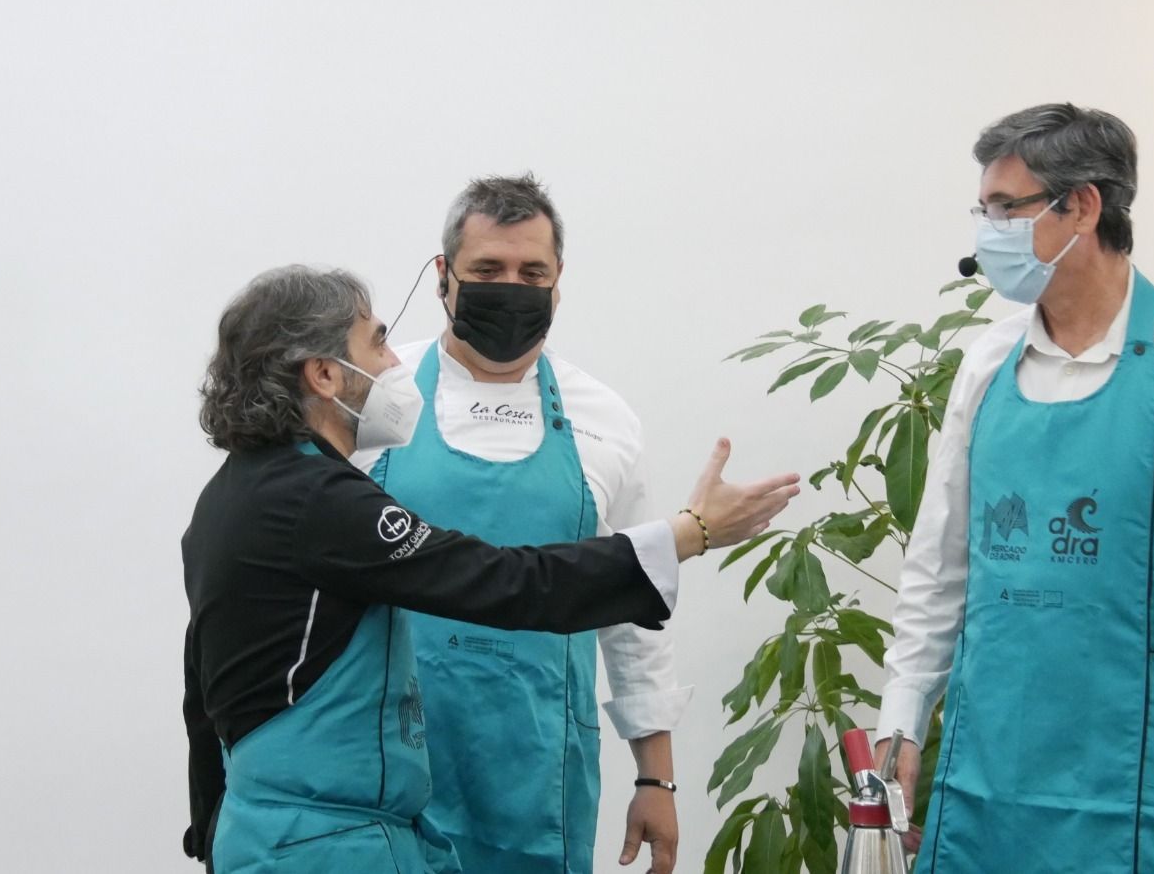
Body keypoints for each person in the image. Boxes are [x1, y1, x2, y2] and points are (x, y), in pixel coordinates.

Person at [180, 264, 798, 873]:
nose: (394, 363)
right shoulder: (319, 500)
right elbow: (507, 582)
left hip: (269, 835)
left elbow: (201, 703)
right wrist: (690, 533)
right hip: (325, 845)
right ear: (323, 374)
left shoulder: (229, 496)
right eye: (377, 340)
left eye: (534, 271)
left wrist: (213, 832)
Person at [873, 103, 1154, 874]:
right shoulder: (987, 365)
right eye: (983, 210)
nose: (988, 231)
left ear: (1084, 205)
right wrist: (901, 720)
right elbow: (938, 571)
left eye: (1007, 208)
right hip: (987, 779)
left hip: (1142, 780)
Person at [353, 174, 687, 874]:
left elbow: (631, 613)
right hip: (386, 766)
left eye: (531, 271)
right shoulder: (374, 402)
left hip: (537, 772)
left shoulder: (606, 421)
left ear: (559, 280)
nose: (511, 287)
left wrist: (656, 779)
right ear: (444, 276)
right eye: (487, 270)